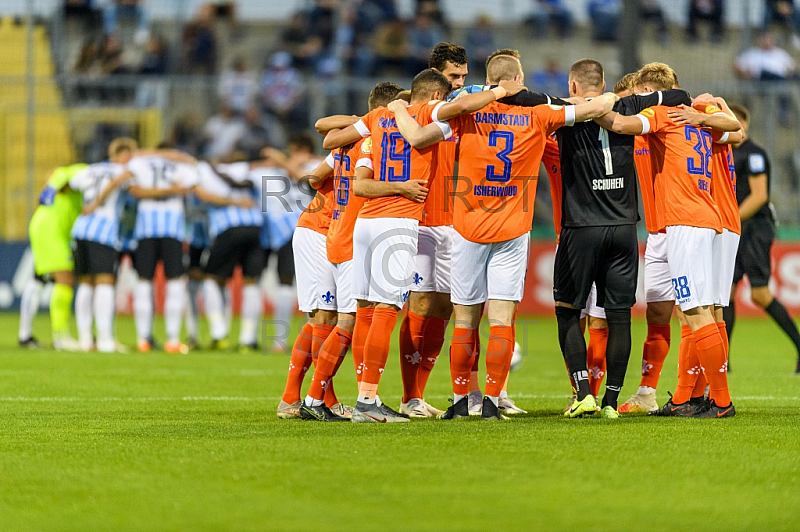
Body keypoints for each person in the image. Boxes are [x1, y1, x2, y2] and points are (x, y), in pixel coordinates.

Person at [323, 69, 522, 422]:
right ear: (433, 94)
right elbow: (462, 106)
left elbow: (332, 137)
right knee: (386, 310)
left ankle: (364, 396)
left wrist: (380, 113)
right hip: (398, 222)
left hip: (365, 222)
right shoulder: (427, 113)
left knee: (366, 311)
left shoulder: (378, 116)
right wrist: (499, 91)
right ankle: (368, 401)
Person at [597, 62, 741, 418]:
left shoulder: (664, 114)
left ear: (652, 91)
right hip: (703, 218)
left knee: (694, 312)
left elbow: (620, 123)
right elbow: (732, 127)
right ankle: (693, 398)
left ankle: (719, 402)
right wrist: (708, 114)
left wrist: (588, 109)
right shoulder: (694, 117)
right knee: (699, 310)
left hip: (685, 222)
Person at [290, 82, 405, 422]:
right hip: (347, 234)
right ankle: (321, 399)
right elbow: (361, 184)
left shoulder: (346, 143)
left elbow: (313, 176)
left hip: (334, 232)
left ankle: (309, 397)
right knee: (345, 321)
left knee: (331, 320)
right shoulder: (372, 142)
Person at [398, 42, 468, 418]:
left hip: (455, 221)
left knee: (444, 306)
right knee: (420, 303)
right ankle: (409, 395)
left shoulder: (461, 112)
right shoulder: (416, 110)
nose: (460, 83)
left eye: (464, 76)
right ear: (436, 76)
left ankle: (420, 395)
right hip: (421, 219)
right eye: (453, 77)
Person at [725, 104, 800, 374]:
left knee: (760, 294)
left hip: (755, 229)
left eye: (737, 121)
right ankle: (724, 362)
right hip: (733, 229)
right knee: (726, 293)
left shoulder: (753, 154)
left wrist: (728, 219)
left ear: (745, 123)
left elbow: (759, 197)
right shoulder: (719, 152)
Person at [127, 153, 197, 353]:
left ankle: (143, 340)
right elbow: (189, 182)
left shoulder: (138, 163)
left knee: (143, 283)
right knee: (174, 283)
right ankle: (172, 340)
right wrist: (171, 190)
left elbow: (135, 191)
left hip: (146, 231)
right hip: (172, 231)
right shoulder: (182, 167)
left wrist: (152, 192)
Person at [69, 140, 135, 352]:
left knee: (86, 284)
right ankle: (106, 339)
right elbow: (125, 183)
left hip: (81, 229)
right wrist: (99, 202)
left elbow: (71, 184)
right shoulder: (123, 170)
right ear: (124, 154)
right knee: (105, 283)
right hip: (103, 231)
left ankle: (85, 339)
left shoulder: (90, 169)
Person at [197, 159, 265, 351]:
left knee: (211, 278)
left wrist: (232, 202)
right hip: (255, 227)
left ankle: (219, 334)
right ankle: (248, 339)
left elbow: (203, 195)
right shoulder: (247, 170)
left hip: (228, 228)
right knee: (251, 282)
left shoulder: (205, 169)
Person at [22, 163, 88, 350]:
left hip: (48, 229)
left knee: (39, 280)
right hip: (51, 231)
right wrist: (51, 188)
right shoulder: (87, 171)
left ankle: (25, 335)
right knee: (65, 279)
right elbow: (58, 173)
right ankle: (61, 336)